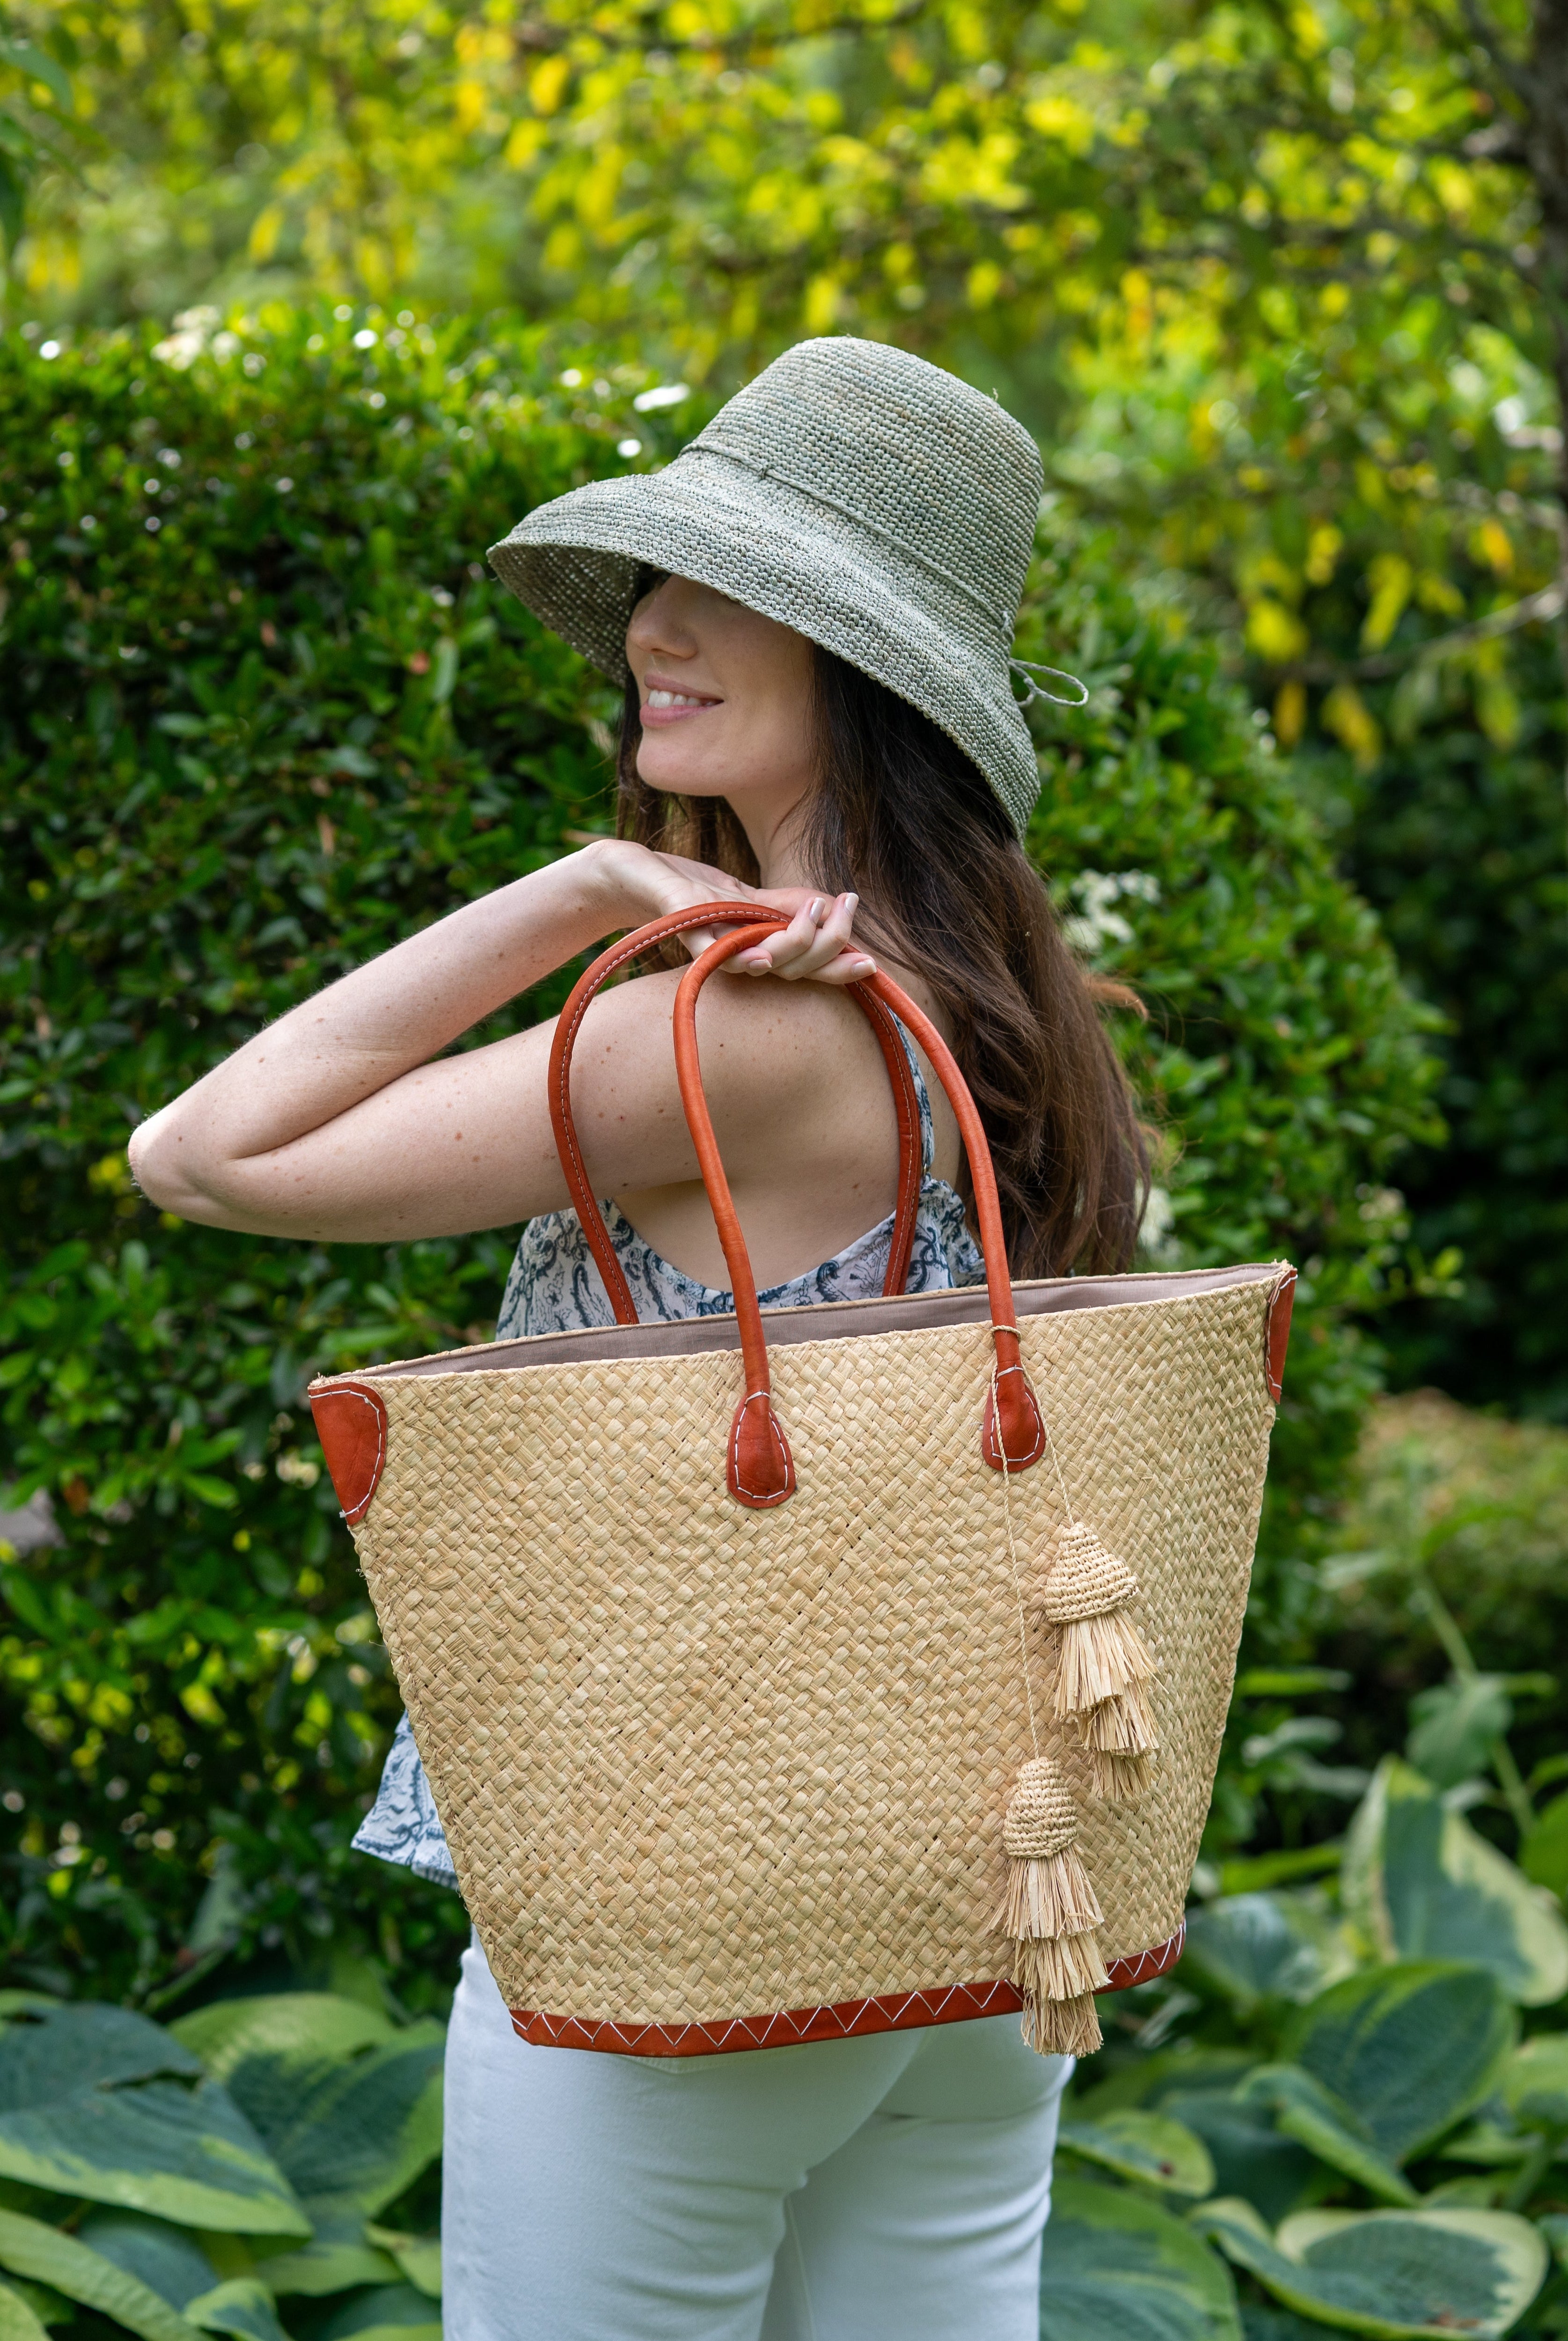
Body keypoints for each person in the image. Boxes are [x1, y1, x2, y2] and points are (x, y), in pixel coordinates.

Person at [131, 336, 1148, 2341]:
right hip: (979, 1896)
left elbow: (204, 1151)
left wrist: (580, 889)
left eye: (729, 586)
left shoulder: (743, 1041)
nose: (653, 629)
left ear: (860, 659)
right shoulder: (1014, 1016)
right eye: (654, 578)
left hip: (694, 1887)